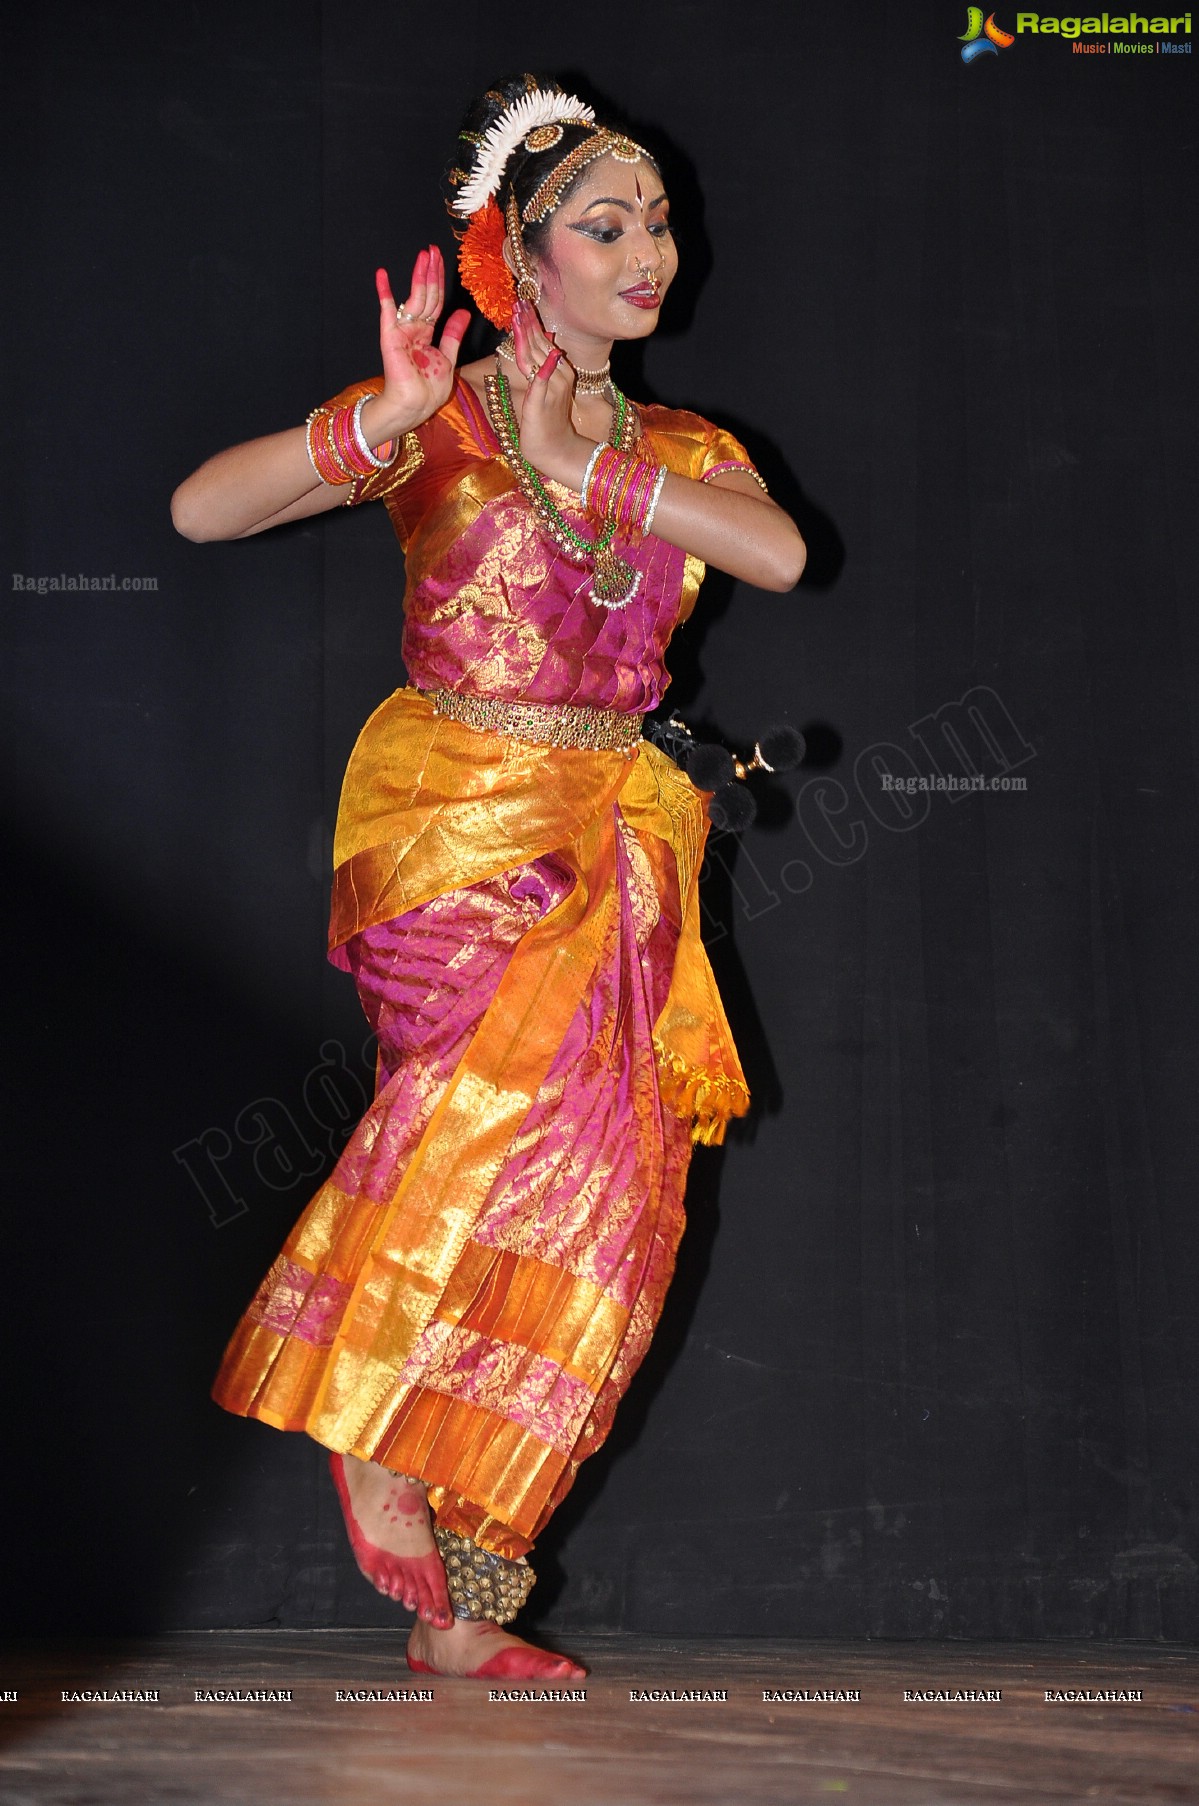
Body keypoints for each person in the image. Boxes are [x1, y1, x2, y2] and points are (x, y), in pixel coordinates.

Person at [171, 72, 806, 1681]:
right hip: (454, 819)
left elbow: (784, 554)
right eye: (607, 223)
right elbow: (200, 510)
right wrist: (378, 421)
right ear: (522, 255)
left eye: (659, 218)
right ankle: (373, 1420)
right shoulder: (438, 418)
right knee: (465, 1122)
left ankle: (466, 1597)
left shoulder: (685, 446)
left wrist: (594, 471)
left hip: (614, 837)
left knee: (606, 1207)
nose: (651, 248)